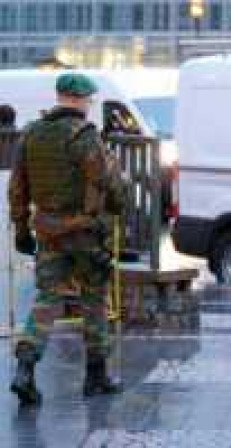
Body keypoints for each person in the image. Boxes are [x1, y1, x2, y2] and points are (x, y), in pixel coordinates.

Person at [8, 73, 126, 406]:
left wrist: (21, 229)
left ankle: (25, 368)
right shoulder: (85, 137)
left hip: (48, 231)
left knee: (47, 299)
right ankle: (96, 376)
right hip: (85, 233)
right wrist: (114, 210)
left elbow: (17, 189)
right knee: (94, 298)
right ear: (81, 100)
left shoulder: (31, 134)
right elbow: (107, 185)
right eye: (89, 100)